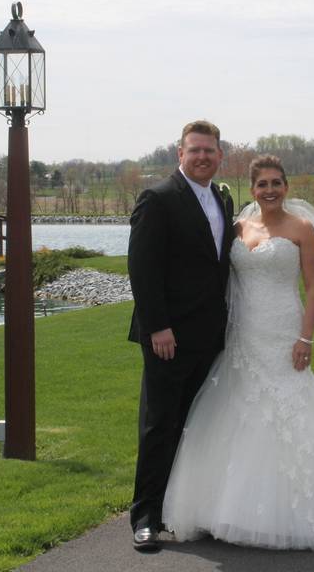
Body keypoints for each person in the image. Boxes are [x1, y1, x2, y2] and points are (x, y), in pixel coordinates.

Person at [162, 155, 314, 550]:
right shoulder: (238, 227)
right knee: (237, 409)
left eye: (276, 183)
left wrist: (305, 339)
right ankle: (226, 510)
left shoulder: (302, 229)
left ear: (286, 186)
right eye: (262, 184)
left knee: (288, 409)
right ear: (252, 189)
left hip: (283, 331)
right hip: (242, 334)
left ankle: (298, 512)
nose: (270, 190)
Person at [127, 120, 235, 552]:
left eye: (209, 150)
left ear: (219, 155)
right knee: (160, 424)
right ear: (180, 154)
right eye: (195, 150)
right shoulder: (158, 199)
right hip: (167, 337)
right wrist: (157, 326)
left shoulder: (223, 199)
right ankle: (146, 517)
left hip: (210, 335)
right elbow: (142, 268)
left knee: (197, 425)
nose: (202, 157)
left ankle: (180, 508)